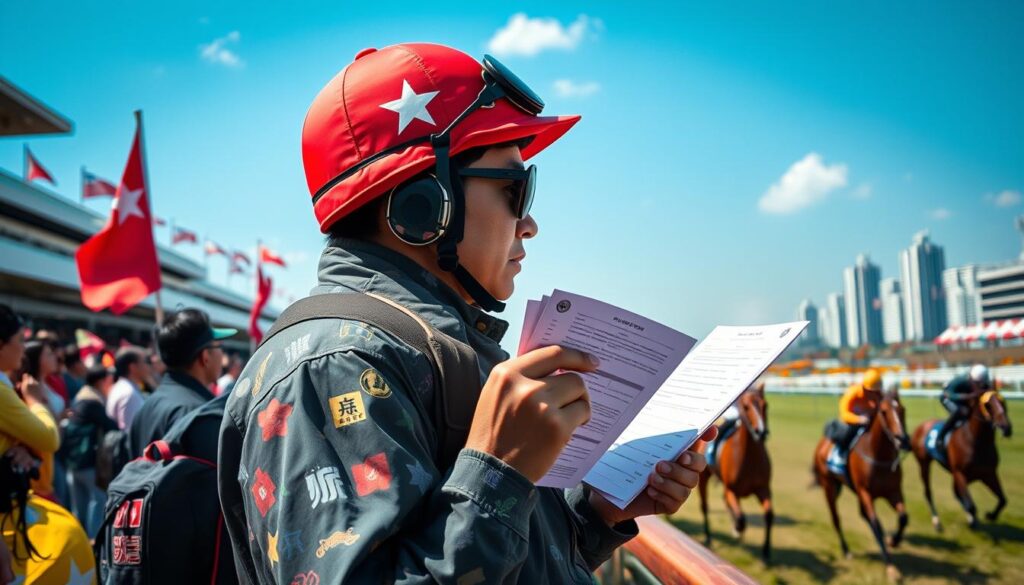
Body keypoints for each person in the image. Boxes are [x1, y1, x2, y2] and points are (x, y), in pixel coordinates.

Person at [218, 43, 713, 583]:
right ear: (423, 206)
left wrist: (595, 514)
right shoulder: (334, 364)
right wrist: (499, 473)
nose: (529, 224)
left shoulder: (428, 344)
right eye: (515, 190)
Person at [128, 308, 236, 457]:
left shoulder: (146, 407)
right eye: (219, 347)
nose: (222, 354)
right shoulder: (200, 414)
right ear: (205, 356)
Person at [62, 363, 118, 537]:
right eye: (109, 379)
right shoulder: (92, 401)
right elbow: (112, 426)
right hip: (88, 463)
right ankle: (94, 542)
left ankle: (80, 543)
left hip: (73, 462)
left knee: (79, 508)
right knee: (98, 501)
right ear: (101, 381)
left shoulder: (80, 397)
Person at [19, 341, 67, 502]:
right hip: (40, 463)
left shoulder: (47, 384)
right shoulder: (29, 388)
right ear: (37, 359)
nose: (55, 357)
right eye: (48, 354)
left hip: (54, 455)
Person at [933, 364, 992, 450]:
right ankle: (940, 437)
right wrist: (969, 396)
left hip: (964, 399)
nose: (979, 385)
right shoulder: (961, 380)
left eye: (981, 383)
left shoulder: (984, 378)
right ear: (971, 379)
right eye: (976, 383)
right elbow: (949, 394)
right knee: (959, 411)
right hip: (948, 398)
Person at [831, 369, 883, 457]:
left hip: (868, 422)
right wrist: (859, 419)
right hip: (850, 423)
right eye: (871, 392)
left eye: (876, 392)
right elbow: (844, 414)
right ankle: (840, 452)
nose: (874, 394)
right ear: (864, 387)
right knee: (847, 433)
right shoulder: (853, 392)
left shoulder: (879, 395)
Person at [106, 346, 149, 431]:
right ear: (133, 367)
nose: (148, 366)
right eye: (145, 362)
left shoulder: (122, 387)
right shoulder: (129, 394)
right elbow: (130, 432)